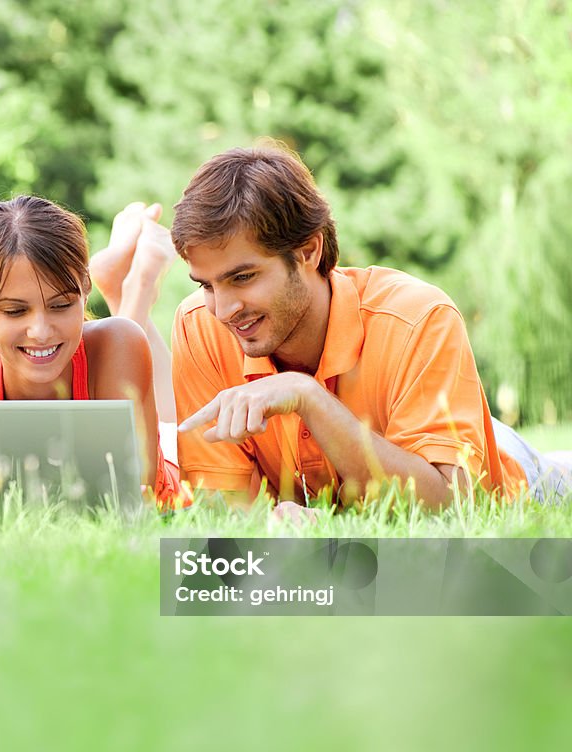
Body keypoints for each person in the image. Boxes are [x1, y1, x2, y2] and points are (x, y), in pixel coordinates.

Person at [169, 143, 571, 516]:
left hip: (512, 474)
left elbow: (449, 509)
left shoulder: (418, 317)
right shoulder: (199, 328)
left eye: (242, 277)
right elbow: (221, 510)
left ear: (309, 251)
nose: (222, 309)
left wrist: (309, 397)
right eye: (205, 284)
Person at [0, 194, 185, 510]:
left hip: (169, 462)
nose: (39, 332)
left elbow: (133, 501)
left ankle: (139, 284)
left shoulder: (118, 341)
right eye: (15, 311)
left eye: (60, 305)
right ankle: (122, 284)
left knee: (163, 411)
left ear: (84, 287)